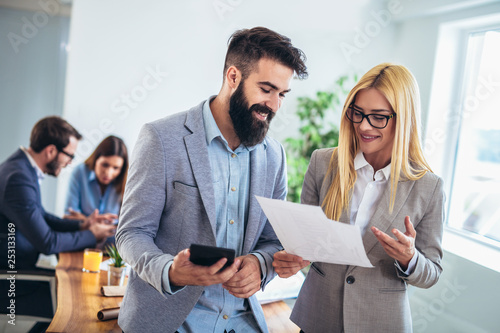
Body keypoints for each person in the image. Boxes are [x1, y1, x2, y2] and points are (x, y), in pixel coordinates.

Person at [116, 27, 308, 333]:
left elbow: (273, 240)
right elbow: (131, 234)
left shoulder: (275, 156)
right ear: (233, 77)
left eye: (282, 94)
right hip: (172, 322)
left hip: (243, 322)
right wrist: (171, 271)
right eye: (266, 89)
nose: (274, 105)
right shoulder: (162, 139)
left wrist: (260, 264)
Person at [273, 63, 445, 332]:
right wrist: (292, 257)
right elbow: (303, 241)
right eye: (358, 113)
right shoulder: (323, 162)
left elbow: (432, 272)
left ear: (404, 119)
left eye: (378, 117)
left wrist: (409, 258)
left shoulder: (428, 186)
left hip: (380, 321)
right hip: (318, 315)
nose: (364, 125)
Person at [0, 116, 117, 270]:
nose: (69, 162)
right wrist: (92, 234)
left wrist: (83, 225)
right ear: (51, 151)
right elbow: (48, 243)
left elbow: (42, 216)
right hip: (13, 277)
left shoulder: (21, 168)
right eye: (70, 156)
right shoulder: (19, 178)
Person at [64, 135, 128, 233]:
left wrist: (86, 221)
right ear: (96, 159)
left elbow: (127, 225)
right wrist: (97, 223)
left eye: (116, 168)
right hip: (81, 240)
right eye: (105, 165)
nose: (108, 173)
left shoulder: (126, 181)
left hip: (112, 244)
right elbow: (69, 216)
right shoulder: (80, 173)